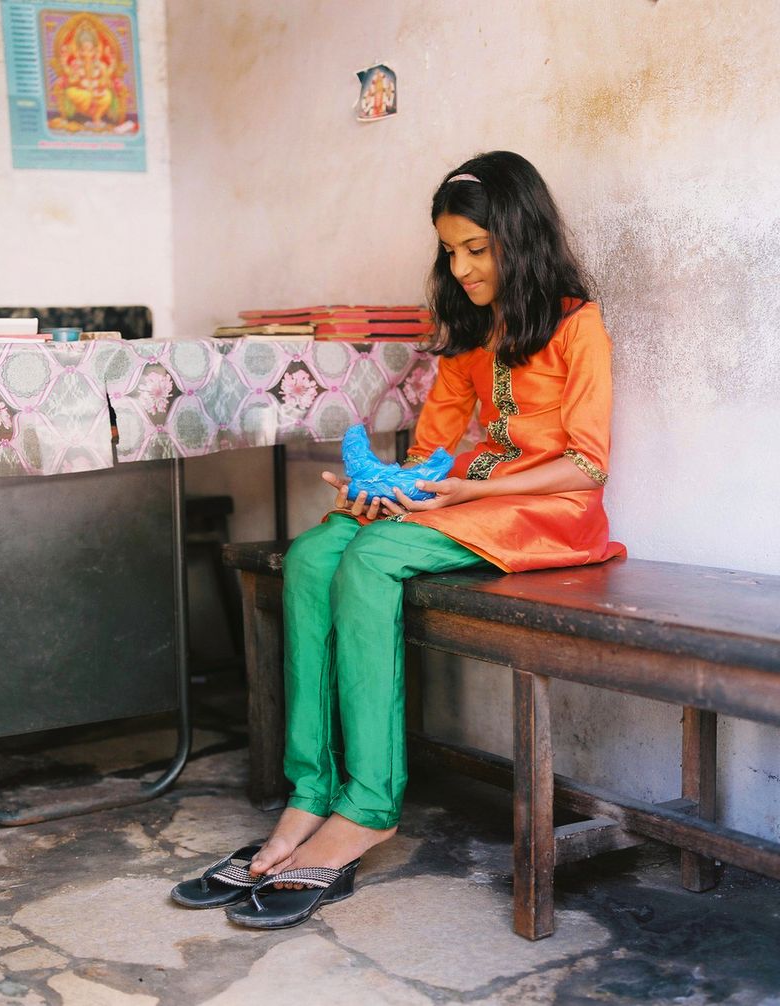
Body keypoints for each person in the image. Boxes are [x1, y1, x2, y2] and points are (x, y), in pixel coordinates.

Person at [171, 150, 626, 928]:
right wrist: (377, 489)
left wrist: (467, 490)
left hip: (546, 512)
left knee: (373, 557)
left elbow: (587, 466)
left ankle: (369, 805)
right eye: (451, 251)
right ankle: (310, 791)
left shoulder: (578, 326)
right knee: (314, 553)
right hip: (461, 498)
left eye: (477, 248)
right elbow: (428, 453)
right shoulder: (472, 330)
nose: (462, 267)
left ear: (521, 237)